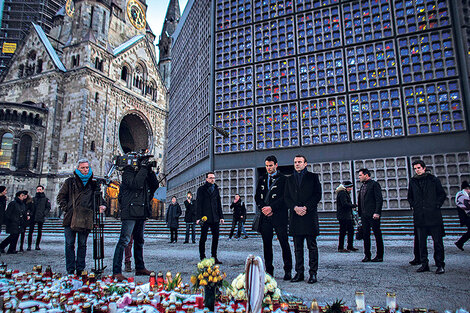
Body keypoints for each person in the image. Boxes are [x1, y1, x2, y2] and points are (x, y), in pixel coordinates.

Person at [112, 156, 159, 281]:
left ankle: (140, 267)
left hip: (141, 210)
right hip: (130, 212)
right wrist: (143, 169)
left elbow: (155, 185)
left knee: (139, 240)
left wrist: (150, 171)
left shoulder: (143, 173)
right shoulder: (127, 172)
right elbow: (136, 184)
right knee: (124, 240)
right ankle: (116, 271)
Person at [57, 159, 107, 275]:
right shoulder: (70, 182)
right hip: (71, 217)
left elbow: (99, 199)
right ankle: (70, 268)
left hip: (85, 218)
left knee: (82, 244)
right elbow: (61, 197)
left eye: (87, 168)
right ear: (78, 169)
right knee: (69, 244)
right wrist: (67, 208)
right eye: (83, 168)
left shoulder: (93, 184)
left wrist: (103, 206)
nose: (85, 170)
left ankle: (80, 268)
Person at [254, 155, 292, 280]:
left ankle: (288, 270)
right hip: (266, 217)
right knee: (266, 244)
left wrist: (272, 208)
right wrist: (263, 208)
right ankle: (269, 270)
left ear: (276, 165)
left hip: (279, 216)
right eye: (267, 166)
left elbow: (286, 198)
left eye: (271, 165)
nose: (268, 168)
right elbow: (257, 197)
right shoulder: (262, 179)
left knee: (283, 243)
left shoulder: (284, 180)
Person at [284, 155, 322, 284]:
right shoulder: (289, 179)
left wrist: (306, 207)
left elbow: (317, 195)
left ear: (305, 163)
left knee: (312, 247)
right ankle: (299, 273)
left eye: (299, 162)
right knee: (297, 248)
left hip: (309, 216)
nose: (297, 164)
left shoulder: (313, 177)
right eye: (295, 162)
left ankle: (313, 273)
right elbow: (286, 197)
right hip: (295, 217)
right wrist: (294, 208)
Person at [407, 160, 447, 274]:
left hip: (433, 215)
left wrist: (436, 205)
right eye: (415, 168)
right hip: (420, 215)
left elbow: (442, 194)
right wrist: (414, 205)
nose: (417, 170)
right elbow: (410, 196)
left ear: (424, 168)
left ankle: (440, 264)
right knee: (421, 242)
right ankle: (424, 264)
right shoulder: (413, 181)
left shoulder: (433, 180)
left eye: (418, 168)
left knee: (437, 242)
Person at [196, 172, 224, 264]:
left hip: (215, 217)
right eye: (211, 178)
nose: (212, 179)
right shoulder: (201, 189)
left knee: (216, 237)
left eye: (213, 178)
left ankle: (214, 257)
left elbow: (218, 203)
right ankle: (202, 257)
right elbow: (198, 204)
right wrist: (198, 218)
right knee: (203, 237)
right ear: (207, 179)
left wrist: (221, 216)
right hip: (205, 217)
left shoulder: (216, 189)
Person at [357, 168, 384, 263]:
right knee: (365, 235)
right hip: (364, 215)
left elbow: (379, 199)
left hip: (373, 215)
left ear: (366, 175)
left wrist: (377, 212)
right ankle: (367, 255)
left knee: (377, 235)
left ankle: (379, 256)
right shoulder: (362, 186)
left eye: (360, 175)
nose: (359, 177)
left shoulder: (374, 184)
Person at [335, 181, 358, 253]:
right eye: (350, 187)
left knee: (350, 230)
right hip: (344, 216)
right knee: (343, 231)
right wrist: (354, 205)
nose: (351, 189)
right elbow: (344, 204)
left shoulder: (344, 193)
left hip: (346, 216)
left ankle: (350, 246)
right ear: (347, 187)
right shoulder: (342, 193)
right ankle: (341, 247)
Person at [28, 185, 51, 251]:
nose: (39, 191)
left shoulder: (46, 199)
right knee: (30, 231)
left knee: (39, 231)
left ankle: (37, 245)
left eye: (40, 189)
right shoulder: (33, 199)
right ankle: (29, 245)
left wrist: (44, 214)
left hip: (40, 216)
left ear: (43, 190)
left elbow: (48, 207)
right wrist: (30, 213)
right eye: (38, 189)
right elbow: (29, 207)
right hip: (33, 217)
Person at [455, 181, 470, 251]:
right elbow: (467, 206)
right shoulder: (462, 196)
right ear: (466, 189)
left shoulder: (461, 195)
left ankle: (460, 242)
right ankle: (459, 242)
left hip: (466, 216)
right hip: (466, 217)